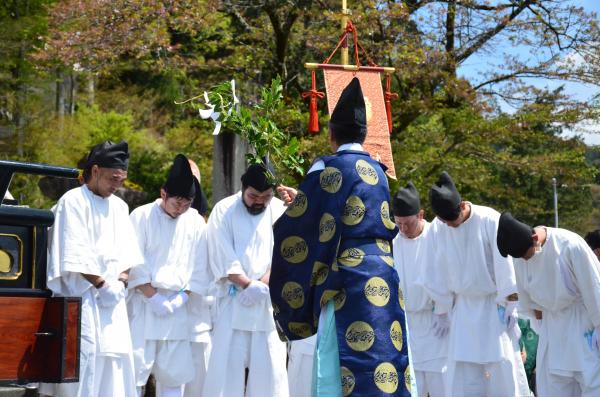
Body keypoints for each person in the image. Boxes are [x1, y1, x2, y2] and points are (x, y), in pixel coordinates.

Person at [270, 78, 410, 396]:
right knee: (387, 358)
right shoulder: (380, 171)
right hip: (385, 276)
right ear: (363, 134)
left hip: (346, 277)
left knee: (339, 366)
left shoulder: (327, 167)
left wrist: (296, 209)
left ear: (331, 135)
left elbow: (304, 227)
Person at [41, 140, 143, 397]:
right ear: (95, 170)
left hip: (113, 298)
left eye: (121, 180)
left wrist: (121, 280)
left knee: (114, 363)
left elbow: (129, 251)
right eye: (112, 178)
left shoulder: (120, 207)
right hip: (84, 297)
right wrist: (100, 283)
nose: (116, 185)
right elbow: (73, 249)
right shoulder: (72, 201)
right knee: (84, 361)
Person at [424, 171, 530, 396]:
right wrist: (442, 309)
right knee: (463, 372)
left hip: (493, 306)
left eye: (452, 220)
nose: (450, 226)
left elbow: (505, 264)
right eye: (444, 222)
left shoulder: (489, 219)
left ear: (462, 206)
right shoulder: (437, 227)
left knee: (501, 365)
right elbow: (433, 270)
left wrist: (510, 302)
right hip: (461, 308)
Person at [202, 163, 289, 397]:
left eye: (266, 196)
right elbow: (220, 251)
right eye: (253, 196)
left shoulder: (280, 209)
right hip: (233, 299)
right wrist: (245, 283)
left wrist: (263, 283)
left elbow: (286, 251)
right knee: (226, 370)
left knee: (271, 369)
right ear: (242, 189)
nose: (259, 201)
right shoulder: (224, 209)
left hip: (267, 302)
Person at [127, 154, 211, 397]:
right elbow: (135, 260)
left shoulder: (194, 221)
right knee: (134, 370)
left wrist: (180, 299)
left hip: (177, 307)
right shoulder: (141, 215)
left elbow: (199, 265)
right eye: (178, 203)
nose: (182, 209)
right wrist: (153, 297)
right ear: (164, 194)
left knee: (174, 373)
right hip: (144, 305)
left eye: (187, 204)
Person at [497, 212, 600, 396]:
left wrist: (598, 326)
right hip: (552, 329)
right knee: (554, 385)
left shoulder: (570, 244)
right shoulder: (521, 257)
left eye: (527, 256)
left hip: (583, 323)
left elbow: (594, 287)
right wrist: (542, 324)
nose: (526, 260)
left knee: (592, 382)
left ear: (535, 238)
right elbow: (530, 302)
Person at [392, 182, 448, 396]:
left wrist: (443, 310)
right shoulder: (395, 241)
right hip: (407, 325)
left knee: (440, 385)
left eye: (407, 223)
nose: (403, 229)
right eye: (398, 224)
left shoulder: (437, 235)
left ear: (421, 215)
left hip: (437, 323)